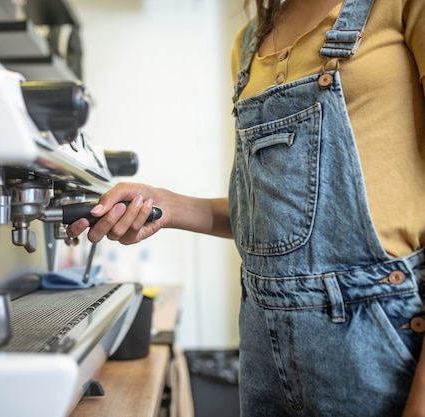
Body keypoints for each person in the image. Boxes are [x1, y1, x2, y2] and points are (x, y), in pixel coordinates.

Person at [67, 0, 425, 416]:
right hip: (261, 342)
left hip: (377, 338)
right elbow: (273, 217)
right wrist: (163, 205)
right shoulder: (249, 42)